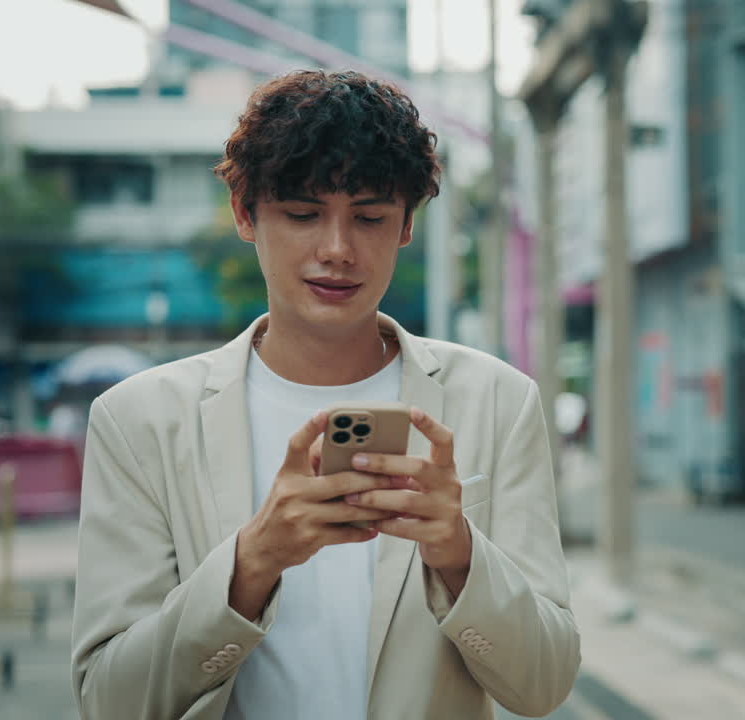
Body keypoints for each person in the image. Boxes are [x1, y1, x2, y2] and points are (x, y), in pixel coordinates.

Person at [71, 71, 579, 719]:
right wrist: (252, 564)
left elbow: (544, 685)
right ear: (245, 214)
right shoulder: (138, 420)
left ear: (405, 227)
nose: (337, 249)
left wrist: (459, 553)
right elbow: (107, 702)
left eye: (369, 217)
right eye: (304, 214)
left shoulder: (497, 402)